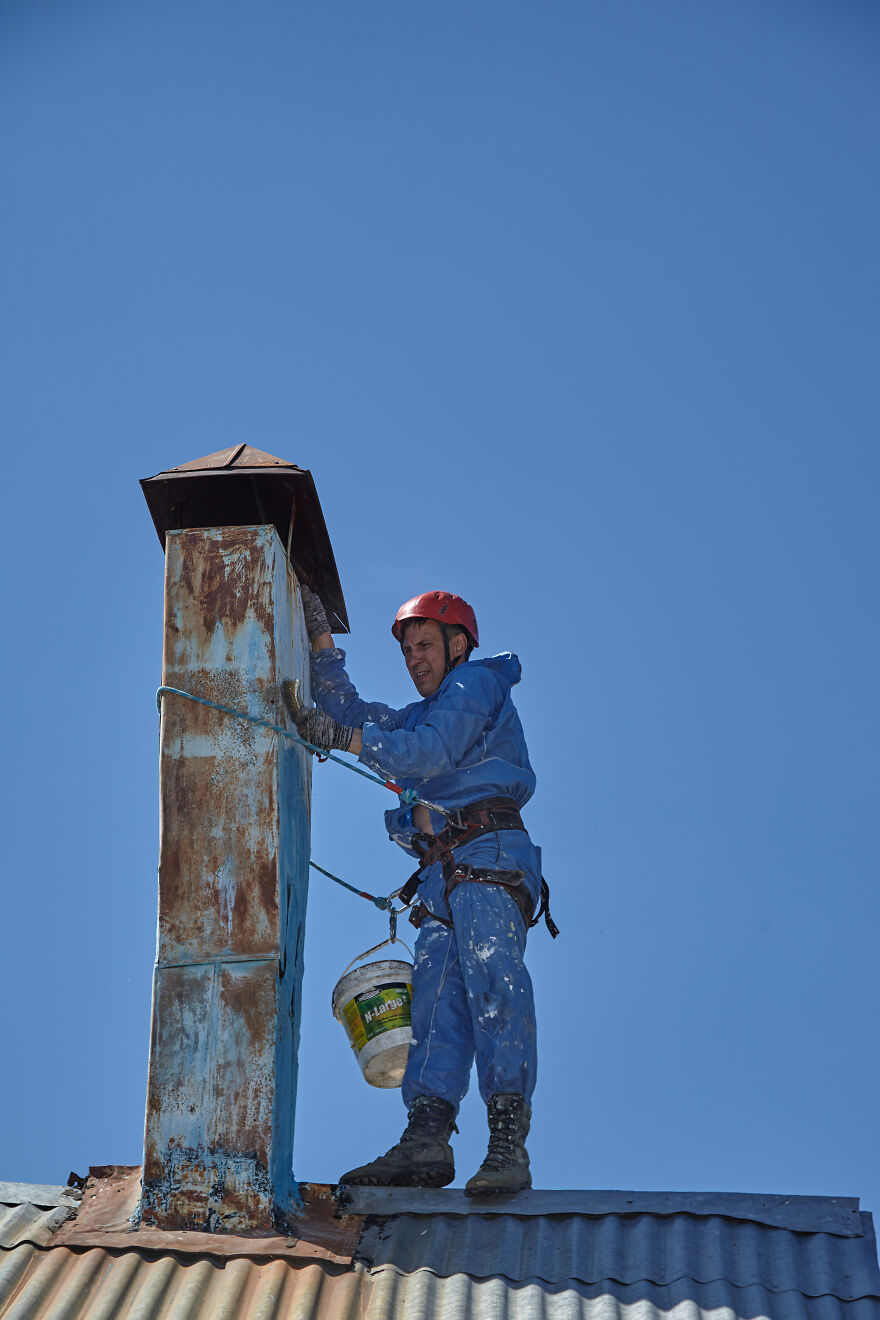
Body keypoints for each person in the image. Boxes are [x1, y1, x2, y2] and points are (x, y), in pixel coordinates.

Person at [289, 586, 553, 1197]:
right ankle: (426, 1140)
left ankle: (507, 1142)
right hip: (446, 872)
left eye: (425, 645)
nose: (415, 660)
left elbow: (426, 754)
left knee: (493, 981)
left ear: (458, 646)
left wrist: (343, 739)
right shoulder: (420, 715)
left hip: (487, 857)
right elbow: (352, 716)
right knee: (434, 1002)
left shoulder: (475, 685)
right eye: (408, 651)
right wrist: (320, 638)